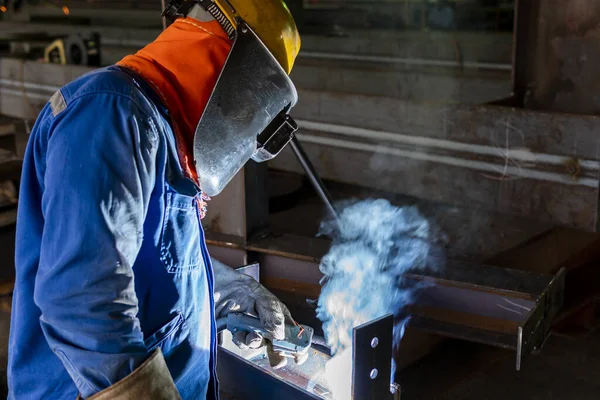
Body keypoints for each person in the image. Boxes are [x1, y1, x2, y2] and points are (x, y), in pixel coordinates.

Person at [7, 0, 303, 398]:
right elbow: (83, 298)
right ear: (239, 79)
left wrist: (225, 293)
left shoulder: (160, 132)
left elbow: (143, 261)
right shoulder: (110, 113)